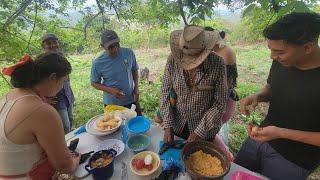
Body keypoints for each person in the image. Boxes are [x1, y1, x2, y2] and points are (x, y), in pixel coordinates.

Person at [234, 12, 320, 180]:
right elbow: (271, 88)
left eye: (279, 52)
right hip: (260, 139)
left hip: (294, 160)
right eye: (271, 50)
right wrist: (258, 96)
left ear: (308, 48)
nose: (272, 56)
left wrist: (281, 133)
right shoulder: (282, 61)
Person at [0, 53, 80, 179]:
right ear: (53, 78)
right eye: (63, 81)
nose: (62, 86)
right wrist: (75, 161)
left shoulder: (11, 95)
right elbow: (64, 166)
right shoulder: (42, 111)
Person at [160, 25, 228, 144]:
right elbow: (164, 92)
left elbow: (220, 103)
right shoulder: (172, 60)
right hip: (178, 124)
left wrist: (199, 132)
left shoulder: (218, 64)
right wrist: (168, 125)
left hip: (204, 129)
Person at [205, 27, 239, 160]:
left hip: (224, 99)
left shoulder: (225, 52)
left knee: (210, 131)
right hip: (220, 98)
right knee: (212, 129)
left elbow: (224, 83)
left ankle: (227, 157)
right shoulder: (213, 50)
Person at [90, 29, 142, 115]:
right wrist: (111, 90)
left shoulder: (128, 53)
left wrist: (136, 87)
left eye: (117, 45)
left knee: (137, 124)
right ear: (102, 46)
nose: (115, 49)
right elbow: (94, 83)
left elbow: (134, 70)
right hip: (112, 104)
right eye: (110, 47)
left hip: (131, 99)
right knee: (116, 127)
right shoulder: (98, 63)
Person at [41, 33, 75, 133]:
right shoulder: (42, 62)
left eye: (55, 42)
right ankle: (65, 145)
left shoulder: (61, 57)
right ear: (43, 46)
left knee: (70, 118)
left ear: (58, 43)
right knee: (64, 126)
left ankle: (69, 138)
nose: (52, 45)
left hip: (67, 95)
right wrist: (43, 99)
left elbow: (67, 77)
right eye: (48, 43)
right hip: (56, 100)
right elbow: (35, 83)